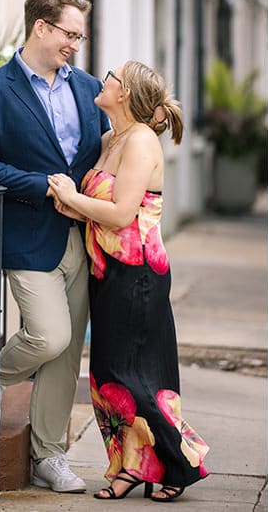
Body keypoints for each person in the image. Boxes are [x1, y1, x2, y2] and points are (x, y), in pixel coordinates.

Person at [0, 0, 109, 494]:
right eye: (70, 34)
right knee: (49, 336)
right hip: (25, 230)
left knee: (67, 358)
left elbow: (100, 154)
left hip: (82, 235)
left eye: (80, 37)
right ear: (41, 27)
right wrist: (41, 185)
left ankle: (50, 457)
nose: (76, 45)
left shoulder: (88, 88)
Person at [50, 60, 209, 502]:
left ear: (124, 94)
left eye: (112, 76)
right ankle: (129, 468)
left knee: (131, 375)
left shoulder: (140, 143)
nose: (104, 79)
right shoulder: (110, 138)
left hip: (138, 274)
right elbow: (103, 207)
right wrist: (75, 207)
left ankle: (180, 463)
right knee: (106, 376)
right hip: (108, 270)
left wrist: (71, 196)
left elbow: (122, 213)